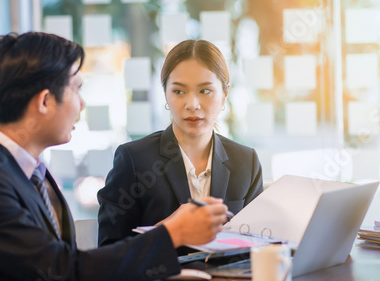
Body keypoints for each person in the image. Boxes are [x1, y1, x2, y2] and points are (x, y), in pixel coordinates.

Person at [0, 32, 228, 281]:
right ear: (45, 101)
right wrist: (171, 233)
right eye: (76, 88)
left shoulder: (24, 168)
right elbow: (64, 271)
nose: (82, 104)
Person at [97, 39, 263, 247]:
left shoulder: (246, 162)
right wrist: (170, 230)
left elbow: (259, 243)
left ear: (225, 94)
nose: (192, 105)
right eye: (178, 91)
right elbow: (108, 250)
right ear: (165, 93)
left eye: (205, 91)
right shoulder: (134, 159)